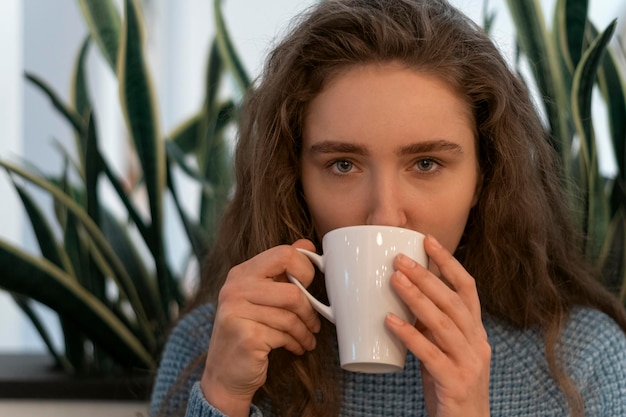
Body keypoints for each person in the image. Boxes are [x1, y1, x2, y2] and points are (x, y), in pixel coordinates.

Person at [150, 0, 626, 416]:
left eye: (425, 163)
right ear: (293, 180)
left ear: (484, 178)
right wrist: (222, 399)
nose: (384, 216)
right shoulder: (213, 346)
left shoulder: (585, 361)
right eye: (342, 164)